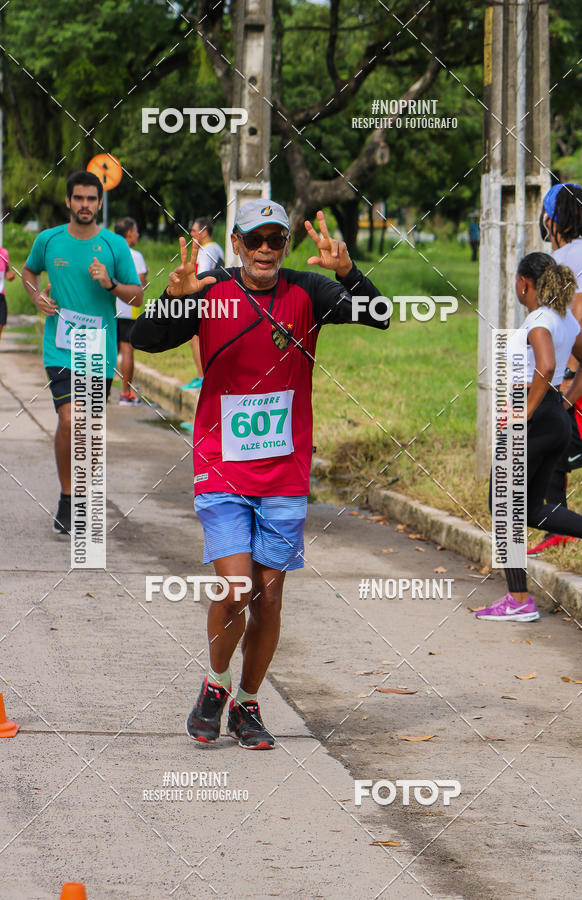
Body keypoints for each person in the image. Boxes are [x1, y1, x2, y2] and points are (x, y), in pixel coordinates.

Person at [131, 200, 388, 749]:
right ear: (237, 243)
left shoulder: (307, 291)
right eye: (255, 239)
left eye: (276, 239)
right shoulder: (211, 291)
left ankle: (247, 704)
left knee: (268, 598)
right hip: (221, 464)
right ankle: (215, 683)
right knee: (236, 588)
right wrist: (173, 300)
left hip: (284, 472)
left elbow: (379, 314)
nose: (266, 249)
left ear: (286, 245)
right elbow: (146, 339)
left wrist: (348, 272)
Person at [477, 253, 582, 623]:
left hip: (534, 419)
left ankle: (518, 600)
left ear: (523, 283)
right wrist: (564, 402)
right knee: (528, 509)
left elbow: (546, 365)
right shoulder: (563, 319)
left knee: (503, 506)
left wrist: (524, 413)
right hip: (555, 420)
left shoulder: (538, 320)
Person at [21, 171, 143, 534]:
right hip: (60, 348)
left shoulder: (114, 246)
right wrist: (36, 296)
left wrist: (110, 283)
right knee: (70, 419)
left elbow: (137, 296)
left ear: (100, 203)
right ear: (68, 201)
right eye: (79, 198)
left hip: (98, 350)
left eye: (91, 199)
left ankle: (82, 497)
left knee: (88, 428)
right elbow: (28, 271)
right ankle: (67, 496)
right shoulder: (49, 240)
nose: (85, 205)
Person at [528, 182, 582, 555]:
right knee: (554, 448)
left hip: (573, 373)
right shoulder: (565, 253)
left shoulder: (579, 253)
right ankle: (558, 527)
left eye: (546, 212)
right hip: (557, 371)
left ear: (554, 218)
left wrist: (570, 374)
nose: (544, 219)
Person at [182, 217, 225, 392]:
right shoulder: (217, 248)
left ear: (204, 232)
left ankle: (202, 377)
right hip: (218, 299)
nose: (191, 234)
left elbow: (201, 277)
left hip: (207, 299)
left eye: (194, 230)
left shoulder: (206, 250)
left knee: (195, 338)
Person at [114, 217, 148, 405]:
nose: (138, 235)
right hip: (128, 308)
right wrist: (146, 275)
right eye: (136, 231)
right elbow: (140, 285)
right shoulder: (136, 256)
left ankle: (98, 393)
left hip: (109, 308)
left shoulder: (109, 252)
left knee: (109, 350)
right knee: (127, 349)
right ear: (128, 233)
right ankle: (126, 393)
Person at [0, 246, 16, 340]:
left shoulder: (3, 253)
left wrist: (10, 276)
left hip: (1, 294)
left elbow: (6, 271)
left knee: (1, 322)